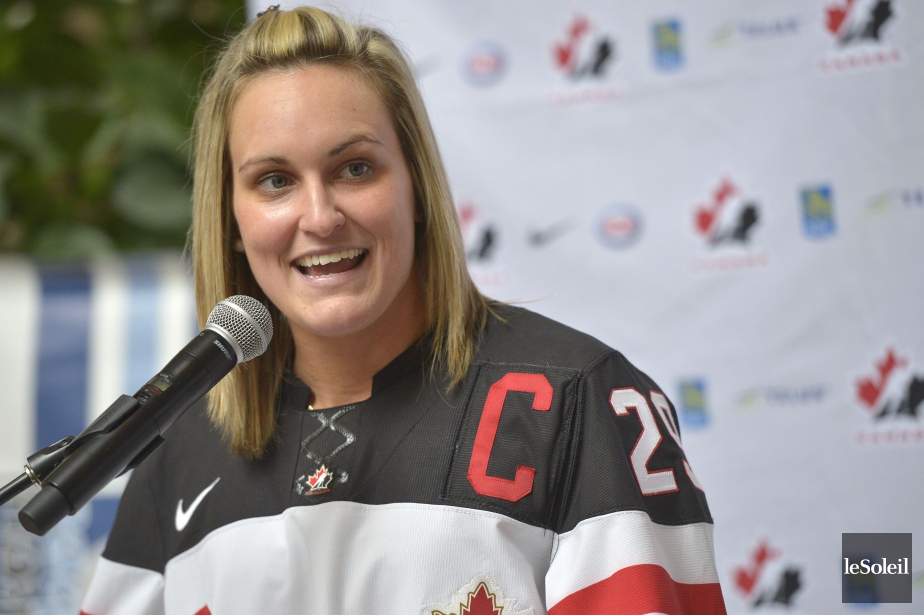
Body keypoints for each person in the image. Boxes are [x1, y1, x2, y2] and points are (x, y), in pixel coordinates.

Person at [81, 6, 726, 615]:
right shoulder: (175, 453)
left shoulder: (578, 398)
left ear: (416, 187)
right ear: (230, 218)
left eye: (355, 168)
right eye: (274, 181)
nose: (320, 217)